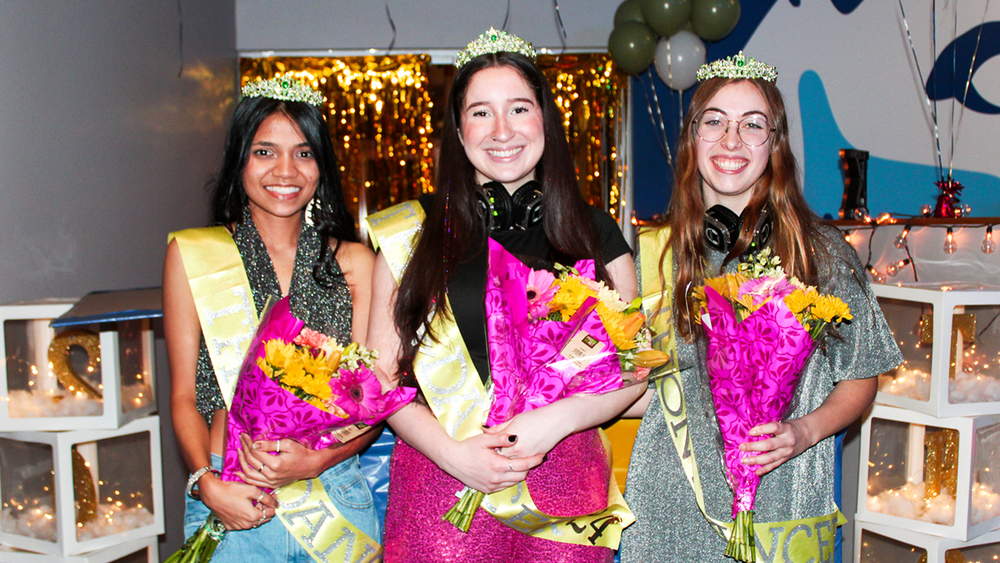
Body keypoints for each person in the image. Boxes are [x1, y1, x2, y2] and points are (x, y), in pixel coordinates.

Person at [365, 29, 643, 563]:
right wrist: (452, 454)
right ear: (458, 129)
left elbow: (633, 367)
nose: (501, 131)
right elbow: (380, 374)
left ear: (545, 120)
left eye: (518, 108)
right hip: (441, 483)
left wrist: (555, 421)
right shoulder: (412, 232)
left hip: (565, 488)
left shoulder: (594, 231)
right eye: (480, 112)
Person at [618, 52, 903, 563]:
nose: (732, 140)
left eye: (753, 125)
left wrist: (804, 431)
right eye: (715, 122)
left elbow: (863, 373)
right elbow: (639, 388)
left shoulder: (820, 252)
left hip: (782, 504)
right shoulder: (653, 253)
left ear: (775, 145)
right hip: (667, 514)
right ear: (692, 140)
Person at [163, 73, 379, 561]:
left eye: (304, 152)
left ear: (321, 166)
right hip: (229, 495)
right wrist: (205, 482)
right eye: (265, 151)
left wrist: (317, 459)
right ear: (239, 160)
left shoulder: (356, 263)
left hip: (333, 495)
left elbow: (372, 398)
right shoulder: (193, 255)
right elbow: (182, 397)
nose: (286, 170)